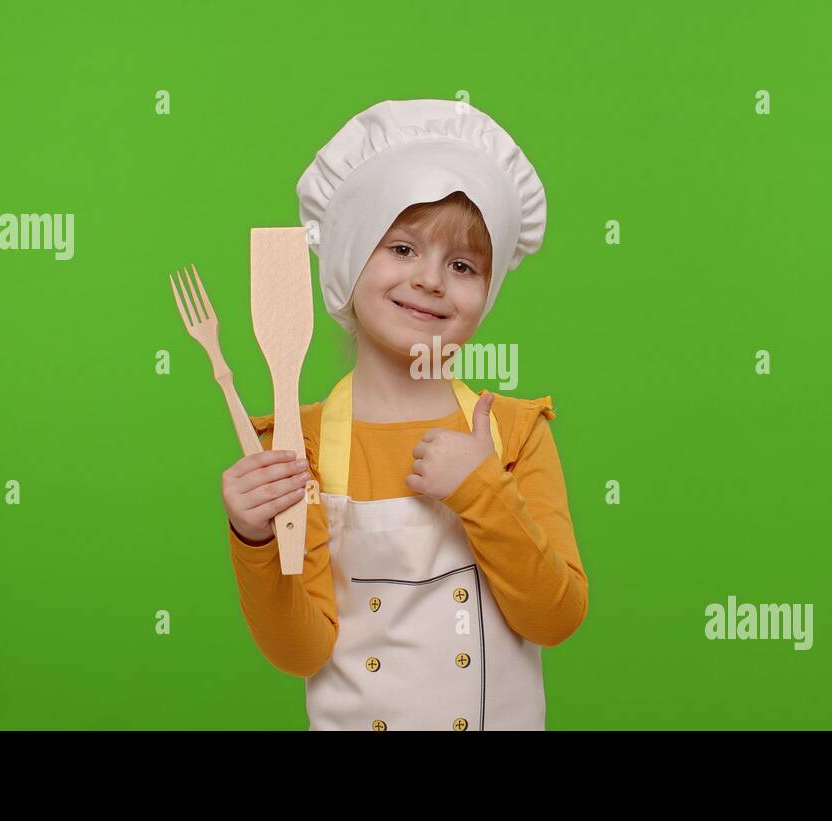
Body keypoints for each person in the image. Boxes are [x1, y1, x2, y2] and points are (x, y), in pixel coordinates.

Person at [222, 99, 588, 730]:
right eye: (401, 248)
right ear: (347, 256)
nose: (431, 280)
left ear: (487, 292)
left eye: (463, 265)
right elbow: (300, 652)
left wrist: (480, 489)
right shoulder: (298, 445)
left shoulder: (512, 433)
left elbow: (553, 619)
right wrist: (255, 540)